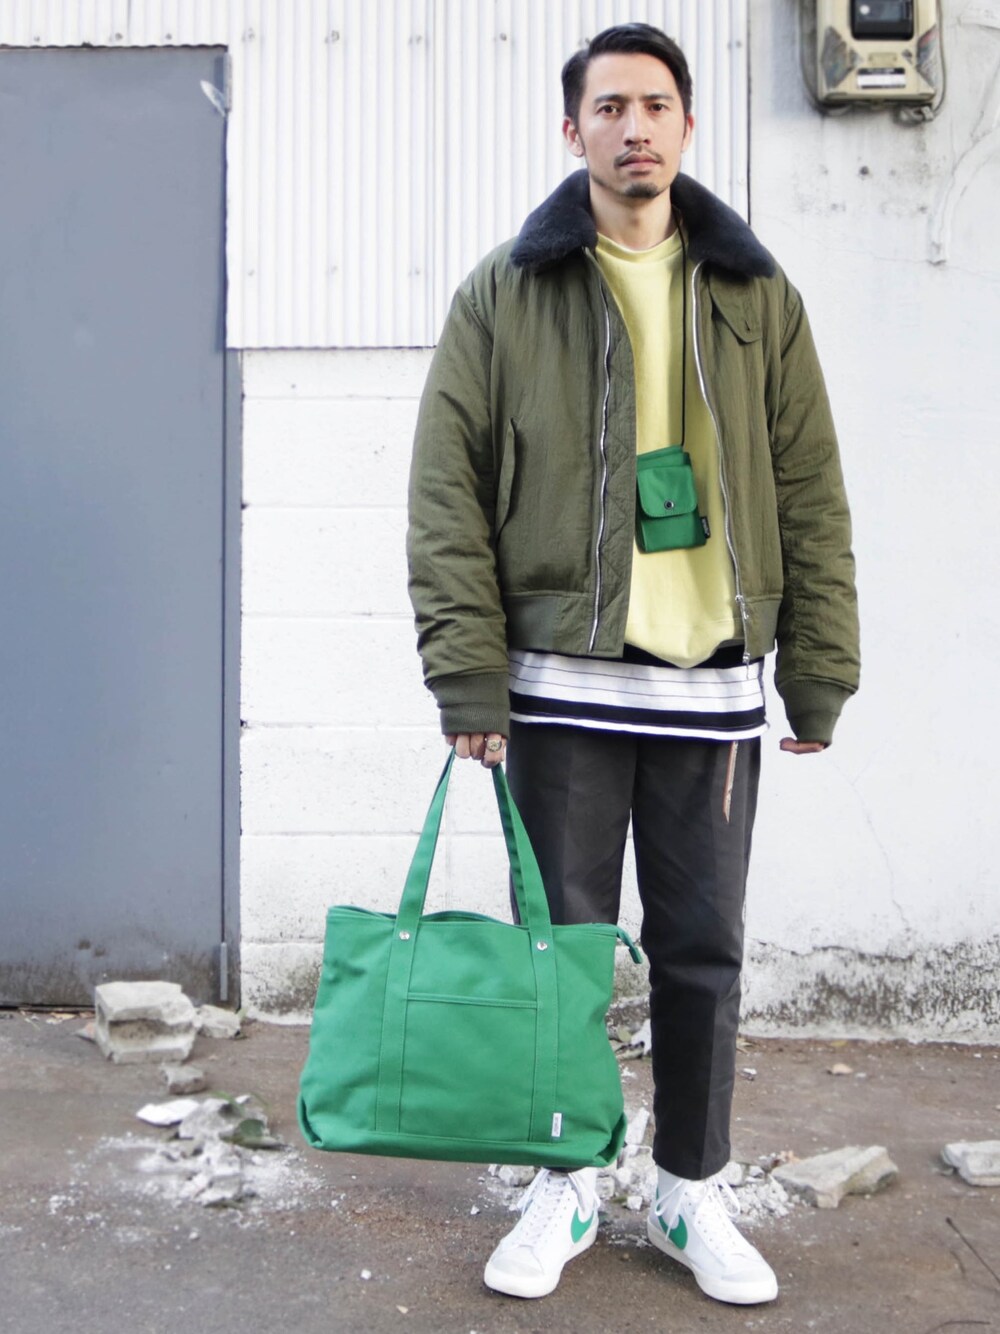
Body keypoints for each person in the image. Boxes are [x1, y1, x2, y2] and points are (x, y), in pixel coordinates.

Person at [407, 21, 859, 1308]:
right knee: (557, 950)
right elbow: (445, 495)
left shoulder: (754, 295)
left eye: (655, 105)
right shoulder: (506, 292)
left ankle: (687, 1186)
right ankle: (564, 1177)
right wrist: (467, 677)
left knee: (701, 949)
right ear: (574, 131)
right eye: (608, 107)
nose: (633, 128)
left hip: (709, 685)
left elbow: (809, 486)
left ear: (686, 124)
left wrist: (820, 665)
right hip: (558, 685)